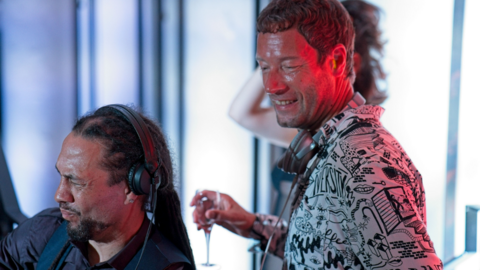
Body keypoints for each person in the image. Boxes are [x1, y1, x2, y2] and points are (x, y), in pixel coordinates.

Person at [192, 0, 443, 269]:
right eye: (265, 67)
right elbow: (326, 250)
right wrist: (252, 225)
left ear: (337, 61)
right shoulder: (329, 144)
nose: (270, 86)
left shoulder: (365, 165)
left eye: (288, 66)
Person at [0, 105, 195, 270]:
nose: (59, 195)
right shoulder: (43, 232)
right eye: (61, 176)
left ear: (132, 187)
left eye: (76, 182)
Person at [228, 0, 388, 148]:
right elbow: (241, 113)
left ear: (343, 61)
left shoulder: (348, 139)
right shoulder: (315, 124)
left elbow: (242, 114)